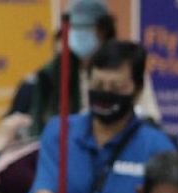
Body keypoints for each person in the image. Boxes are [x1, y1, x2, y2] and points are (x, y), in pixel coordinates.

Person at [29, 40, 176, 193]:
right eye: (98, 85)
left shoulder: (157, 146)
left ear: (137, 90)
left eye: (116, 88)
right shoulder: (60, 131)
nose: (105, 93)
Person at [25, 0, 161, 138]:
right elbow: (39, 127)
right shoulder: (54, 73)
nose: (79, 34)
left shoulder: (128, 66)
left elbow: (150, 118)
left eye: (86, 28)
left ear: (104, 29)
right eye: (74, 28)